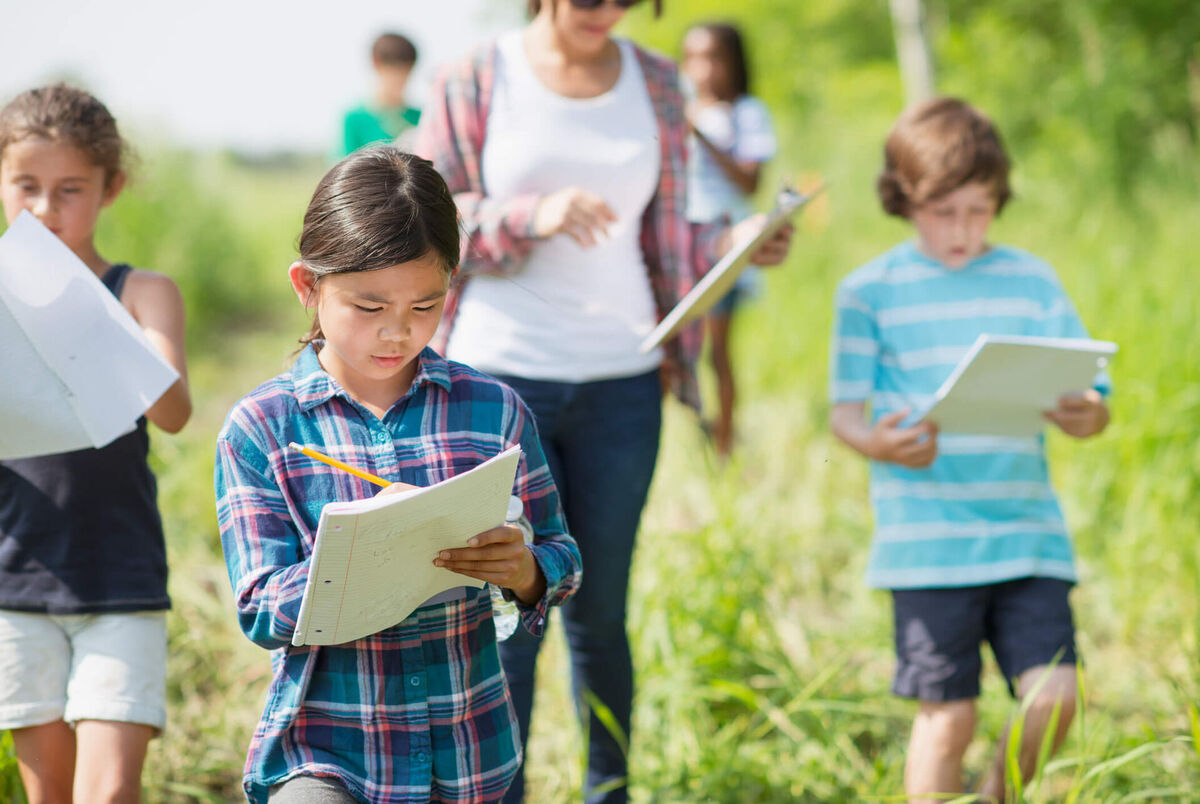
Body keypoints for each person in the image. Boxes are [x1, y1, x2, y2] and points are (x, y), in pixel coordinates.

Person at [414, 2, 792, 801]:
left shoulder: (657, 80)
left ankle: (608, 791)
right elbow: (422, 221)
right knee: (505, 610)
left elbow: (670, 229)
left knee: (601, 608)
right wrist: (531, 216)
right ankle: (497, 791)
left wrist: (736, 241)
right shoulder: (476, 75)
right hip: (498, 382)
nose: (605, 11)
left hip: (625, 378)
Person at [214, 146, 582, 804]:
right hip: (328, 748)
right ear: (308, 287)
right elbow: (260, 608)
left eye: (424, 307)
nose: (396, 334)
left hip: (468, 748)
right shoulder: (263, 430)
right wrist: (361, 552)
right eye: (368, 306)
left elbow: (562, 556)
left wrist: (523, 569)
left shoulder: (492, 410)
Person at [828, 97, 1111, 803]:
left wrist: (1087, 414)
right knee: (946, 716)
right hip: (929, 545)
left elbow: (1091, 394)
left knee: (1056, 697)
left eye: (979, 211)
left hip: (1027, 534)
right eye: (943, 211)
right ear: (904, 198)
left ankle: (995, 796)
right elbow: (845, 416)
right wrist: (882, 445)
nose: (962, 231)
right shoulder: (868, 292)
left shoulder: (1032, 279)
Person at [0, 84, 192, 803]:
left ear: (112, 187)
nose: (45, 209)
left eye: (69, 189)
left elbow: (174, 410)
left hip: (121, 575)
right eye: (26, 186)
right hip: (18, 576)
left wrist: (85, 316)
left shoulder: (141, 291)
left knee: (107, 795)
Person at [681, 21, 777, 458]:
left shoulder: (746, 112)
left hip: (727, 245)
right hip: (681, 247)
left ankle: (724, 445)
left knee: (716, 349)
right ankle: (705, 426)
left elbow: (749, 181)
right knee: (677, 350)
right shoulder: (681, 108)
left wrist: (699, 133)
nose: (703, 69)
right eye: (694, 58)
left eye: (713, 57)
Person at [340, 32, 422, 156]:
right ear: (376, 63)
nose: (400, 80)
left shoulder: (421, 118)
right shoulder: (354, 119)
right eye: (395, 71)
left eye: (406, 72)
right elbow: (344, 169)